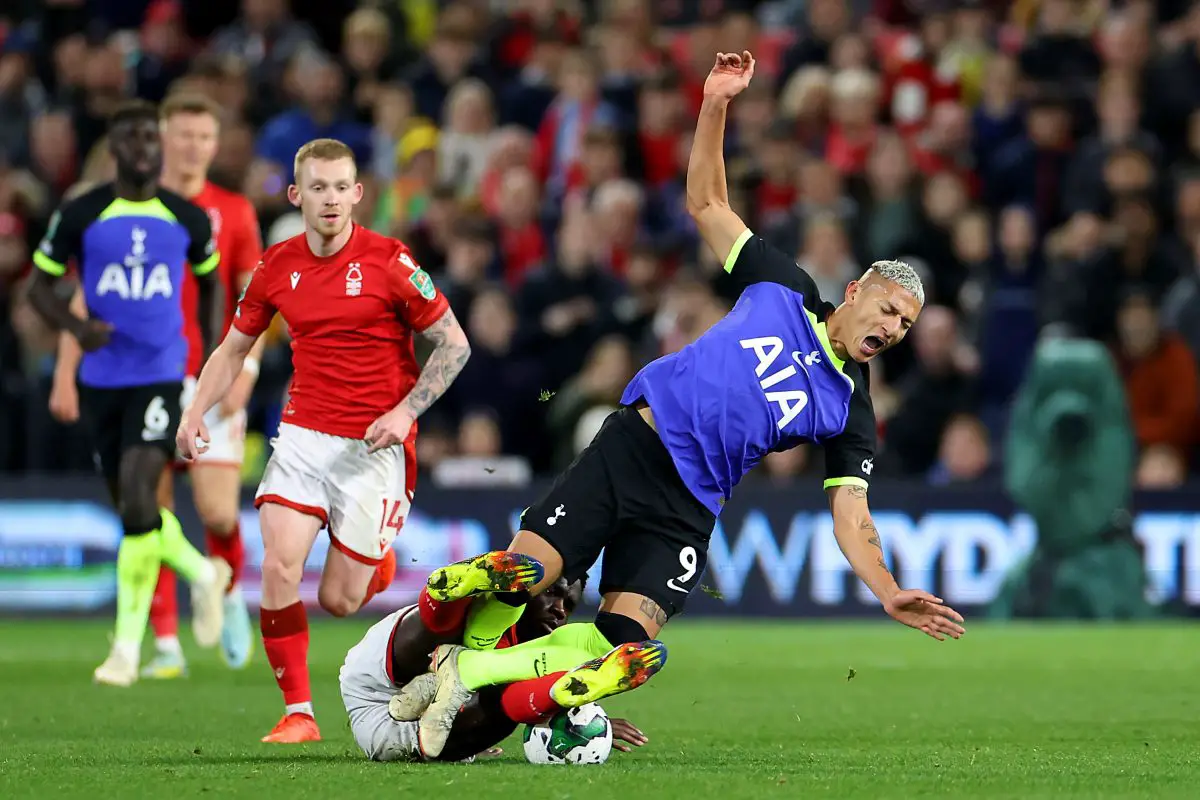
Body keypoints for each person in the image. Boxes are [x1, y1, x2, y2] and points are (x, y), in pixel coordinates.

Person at [404, 52, 967, 760]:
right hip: (632, 448)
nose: (892, 330)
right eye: (888, 310)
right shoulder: (782, 287)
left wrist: (887, 588)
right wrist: (715, 104)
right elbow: (706, 203)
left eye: (906, 326)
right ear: (854, 291)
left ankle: (470, 675)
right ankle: (442, 670)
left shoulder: (852, 409)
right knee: (528, 575)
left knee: (625, 650)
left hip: (688, 507)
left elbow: (851, 514)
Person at [175, 137, 471, 744]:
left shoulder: (391, 261)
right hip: (304, 435)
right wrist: (195, 412)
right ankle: (299, 713)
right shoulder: (276, 266)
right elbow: (234, 348)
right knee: (280, 564)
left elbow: (454, 344)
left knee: (340, 599)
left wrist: (404, 412)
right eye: (318, 188)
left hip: (373, 446)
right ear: (297, 195)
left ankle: (377, 563)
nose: (331, 199)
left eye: (341, 187)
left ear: (358, 194)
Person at [49, 93, 266, 677]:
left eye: (204, 137)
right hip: (140, 372)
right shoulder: (111, 209)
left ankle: (225, 595)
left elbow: (255, 296)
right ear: (162, 138)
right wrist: (68, 367)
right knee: (149, 502)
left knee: (219, 512)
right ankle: (164, 642)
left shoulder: (231, 211)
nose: (193, 146)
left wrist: (243, 367)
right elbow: (85, 293)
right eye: (183, 135)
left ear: (216, 145)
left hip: (209, 373)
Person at [340, 572, 647, 762]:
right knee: (467, 624)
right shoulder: (502, 612)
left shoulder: (548, 650)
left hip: (422, 723)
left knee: (504, 703)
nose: (560, 611)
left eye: (570, 604)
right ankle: (449, 596)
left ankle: (554, 696)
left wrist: (579, 719)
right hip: (379, 687)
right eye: (553, 594)